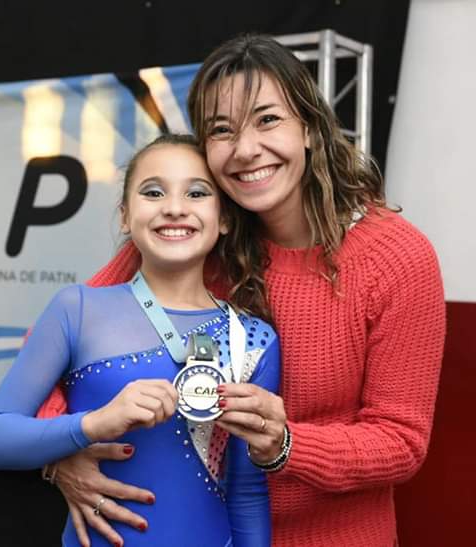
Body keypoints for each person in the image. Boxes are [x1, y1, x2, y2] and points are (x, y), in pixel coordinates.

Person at [41, 34, 446, 547]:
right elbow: (49, 347)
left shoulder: (396, 257)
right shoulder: (193, 236)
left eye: (268, 120)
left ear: (310, 128)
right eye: (221, 129)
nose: (246, 149)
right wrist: (63, 451)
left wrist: (285, 445)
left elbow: (401, 442)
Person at [0, 134, 281, 547]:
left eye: (196, 192)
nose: (174, 207)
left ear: (224, 217)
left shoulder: (254, 340)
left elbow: (248, 492)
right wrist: (94, 424)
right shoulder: (76, 308)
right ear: (124, 215)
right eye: (153, 192)